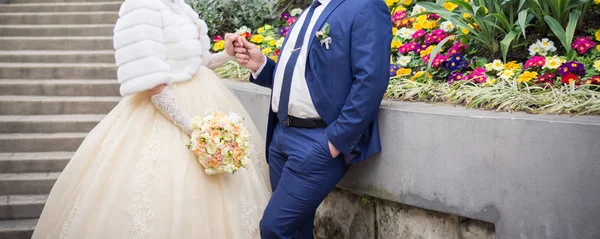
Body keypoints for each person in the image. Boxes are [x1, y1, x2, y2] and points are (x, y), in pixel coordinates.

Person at [32, 0, 271, 238]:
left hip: (205, 99)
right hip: (168, 113)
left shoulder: (178, 6)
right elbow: (151, 82)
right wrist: (195, 130)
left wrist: (227, 55)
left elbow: (197, 64)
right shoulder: (140, 7)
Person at [232, 0, 392, 238]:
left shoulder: (365, 6)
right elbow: (301, 77)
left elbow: (371, 81)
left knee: (274, 228)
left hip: (318, 141)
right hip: (281, 137)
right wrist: (261, 65)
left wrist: (336, 141)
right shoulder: (309, 12)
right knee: (296, 230)